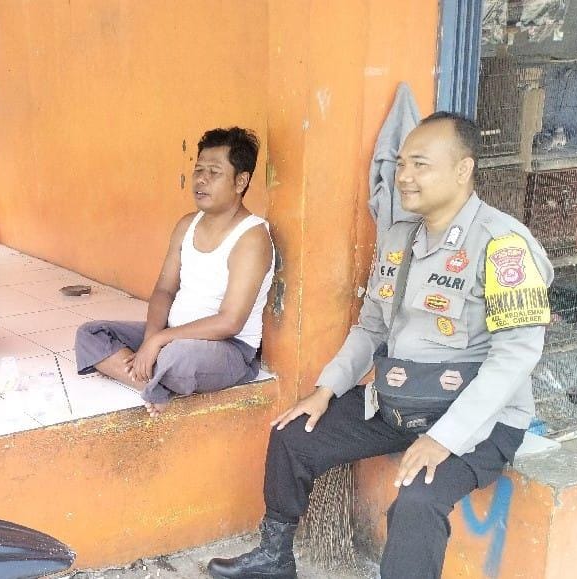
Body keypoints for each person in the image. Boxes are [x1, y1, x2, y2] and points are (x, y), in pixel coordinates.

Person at [207, 112, 554, 579]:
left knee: (418, 499)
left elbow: (515, 357)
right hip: (402, 398)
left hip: (479, 419)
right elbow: (371, 328)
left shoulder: (503, 245)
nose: (404, 176)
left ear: (463, 169)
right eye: (401, 164)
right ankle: (274, 558)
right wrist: (326, 390)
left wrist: (444, 438)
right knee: (294, 435)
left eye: (420, 164)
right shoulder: (399, 238)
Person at [74, 127, 274, 418]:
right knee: (90, 334)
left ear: (240, 181)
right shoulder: (186, 225)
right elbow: (164, 290)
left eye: (214, 173)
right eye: (198, 170)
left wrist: (158, 342)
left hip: (227, 349)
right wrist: (151, 338)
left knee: (178, 358)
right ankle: (155, 385)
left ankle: (151, 376)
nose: (201, 180)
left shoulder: (252, 237)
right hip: (173, 333)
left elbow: (230, 322)